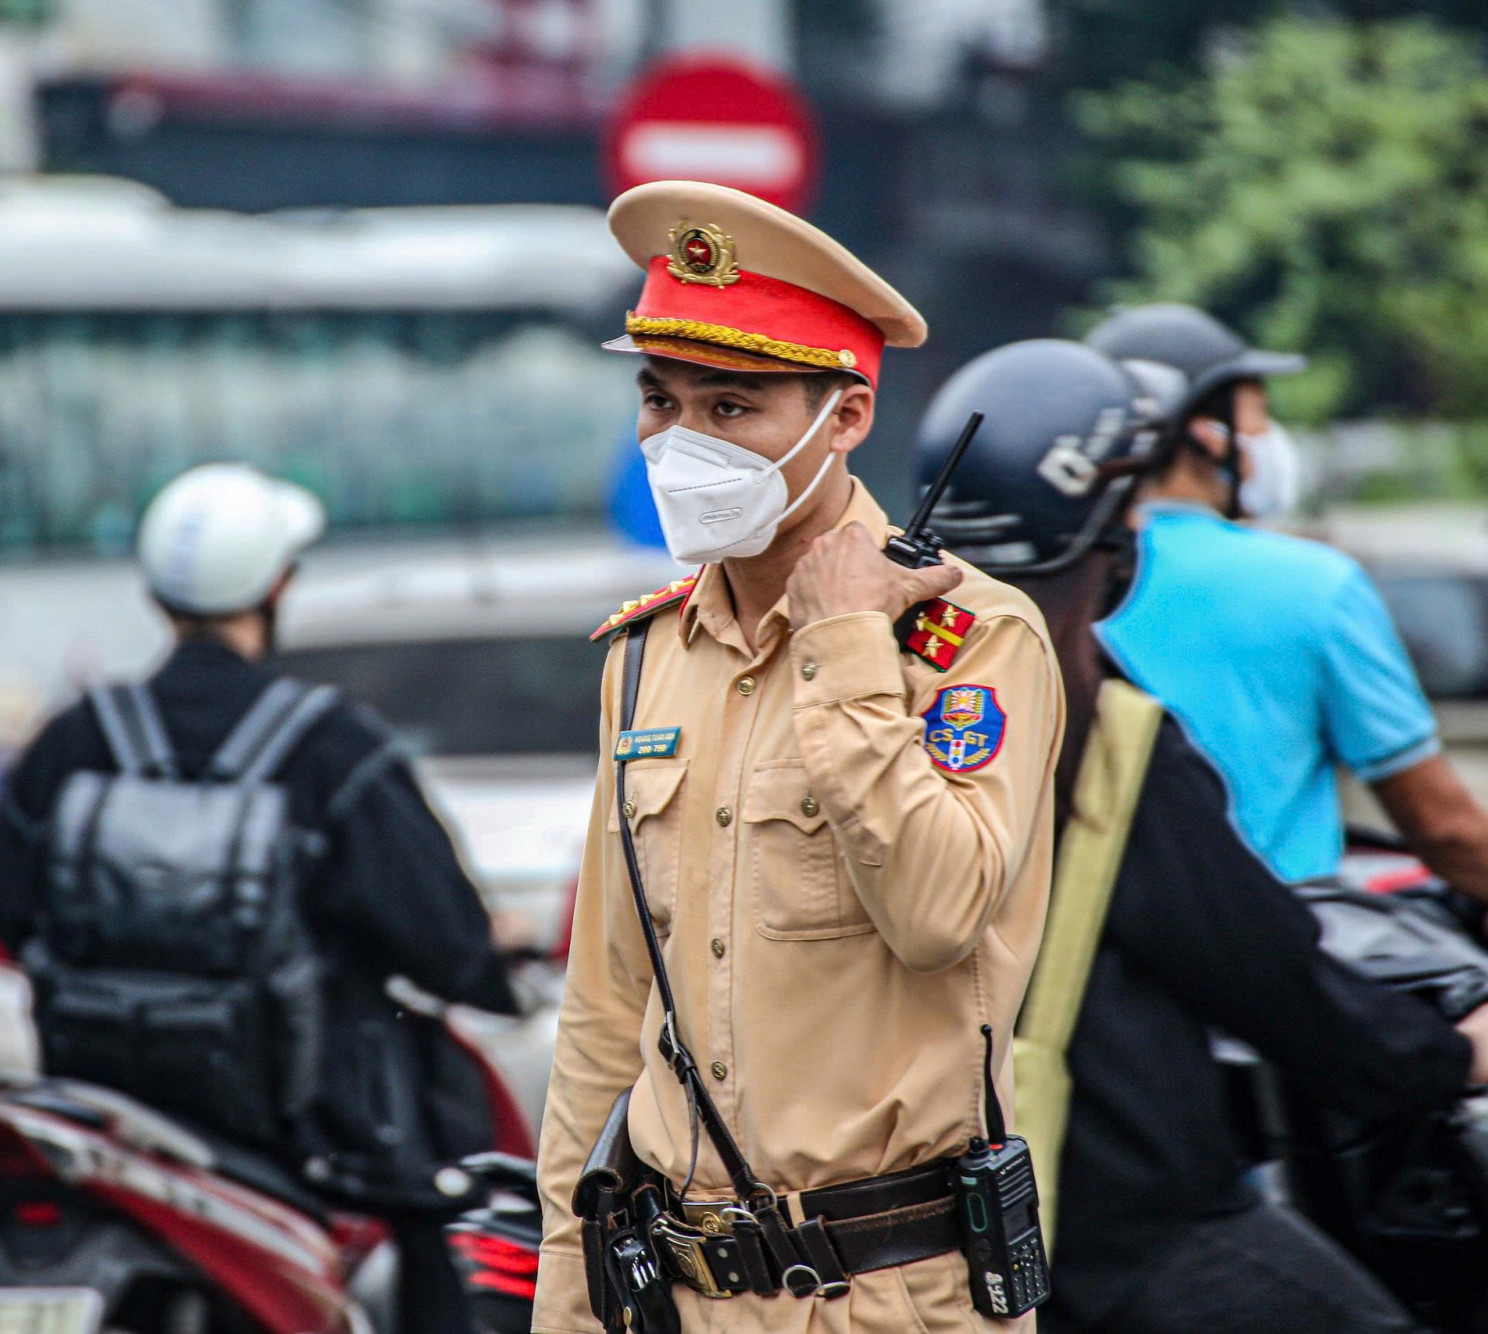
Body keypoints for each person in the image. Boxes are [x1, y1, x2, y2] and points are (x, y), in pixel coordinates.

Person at [533, 181, 1065, 1333]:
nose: (680, 442)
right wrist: (567, 1306)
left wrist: (843, 645)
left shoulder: (968, 640)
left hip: (891, 1293)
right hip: (682, 1289)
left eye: (730, 405)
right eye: (658, 400)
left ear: (847, 416)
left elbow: (937, 911)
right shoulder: (644, 654)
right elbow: (604, 1011)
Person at [915, 336, 1488, 1334]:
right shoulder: (1101, 732)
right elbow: (1264, 962)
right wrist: (1444, 1054)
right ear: (1110, 535)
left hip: (920, 1212)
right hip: (1112, 1199)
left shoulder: (877, 695)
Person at [0, 463, 518, 1334]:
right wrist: (493, 963)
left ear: (155, 593)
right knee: (441, 1222)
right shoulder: (332, 746)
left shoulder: (72, 741)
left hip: (103, 1109)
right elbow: (444, 943)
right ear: (277, 585)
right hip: (312, 1133)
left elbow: (11, 915)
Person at [1084, 303, 1488, 901]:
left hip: (1082, 943)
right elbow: (1445, 830)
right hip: (1275, 942)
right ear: (1206, 435)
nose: (1269, 440)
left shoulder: (1053, 585)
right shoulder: (1315, 583)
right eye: (1258, 416)